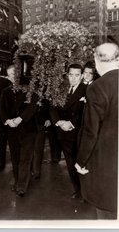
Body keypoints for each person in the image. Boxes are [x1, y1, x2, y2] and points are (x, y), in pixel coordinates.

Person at [75, 43, 119, 219]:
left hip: (104, 163)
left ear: (96, 60)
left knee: (106, 215)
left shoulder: (97, 87)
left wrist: (81, 161)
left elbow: (90, 131)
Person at [49, 63, 87, 200]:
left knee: (81, 163)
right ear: (67, 75)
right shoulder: (62, 89)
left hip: (78, 133)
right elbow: (53, 107)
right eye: (71, 75)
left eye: (77, 75)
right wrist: (59, 122)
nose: (73, 78)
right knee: (70, 164)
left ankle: (85, 191)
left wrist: (70, 123)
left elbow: (85, 112)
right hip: (63, 132)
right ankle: (78, 190)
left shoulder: (87, 89)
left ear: (82, 76)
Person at [0, 67, 38, 197]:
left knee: (25, 159)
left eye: (14, 74)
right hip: (12, 130)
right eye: (9, 75)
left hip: (28, 130)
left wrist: (19, 119)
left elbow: (32, 106)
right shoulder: (5, 92)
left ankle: (22, 186)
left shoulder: (30, 89)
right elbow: (1, 109)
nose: (12, 77)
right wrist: (7, 121)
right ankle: (17, 182)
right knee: (15, 158)